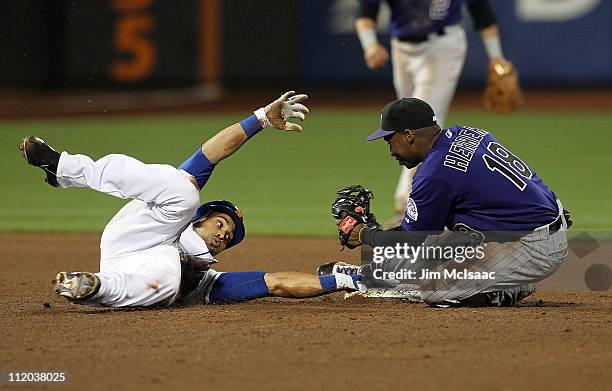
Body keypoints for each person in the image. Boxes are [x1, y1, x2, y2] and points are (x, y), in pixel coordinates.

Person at [19, 91, 363, 307]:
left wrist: (347, 280)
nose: (223, 235)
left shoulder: (205, 281)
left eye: (228, 237)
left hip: (130, 269)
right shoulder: (179, 213)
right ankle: (62, 167)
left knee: (171, 280)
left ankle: (90, 287)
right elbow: (211, 153)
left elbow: (275, 282)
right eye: (220, 223)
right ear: (200, 219)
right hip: (135, 237)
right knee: (183, 188)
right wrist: (260, 119)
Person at [324, 98, 571, 307]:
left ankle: (511, 286)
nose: (390, 150)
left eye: (390, 140)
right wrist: (553, 207)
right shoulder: (466, 133)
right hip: (530, 226)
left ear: (408, 135)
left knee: (433, 290)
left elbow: (411, 240)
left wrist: (366, 235)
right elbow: (524, 179)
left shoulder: (434, 172)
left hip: (530, 249)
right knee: (410, 260)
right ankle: (367, 275)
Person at [354, 0, 521, 225]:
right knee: (406, 120)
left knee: (420, 123)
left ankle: (405, 205)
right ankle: (422, 205)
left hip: (443, 45)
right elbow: (366, 10)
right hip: (401, 47)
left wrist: (496, 56)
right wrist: (370, 44)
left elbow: (481, 11)